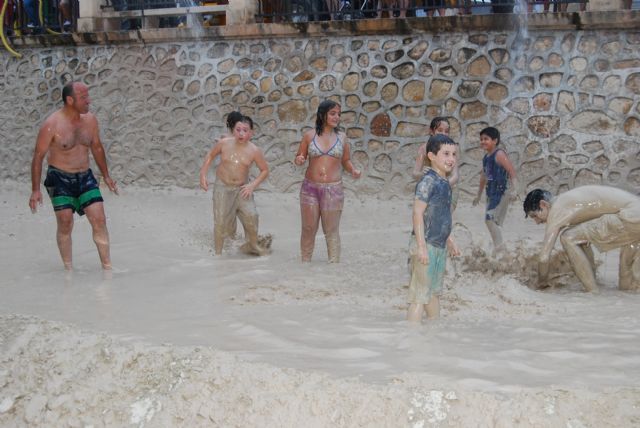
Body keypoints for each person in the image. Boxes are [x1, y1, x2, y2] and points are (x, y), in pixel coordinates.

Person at [29, 81, 118, 271]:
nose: (89, 101)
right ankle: (68, 270)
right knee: (65, 223)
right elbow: (38, 157)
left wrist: (107, 176)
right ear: (70, 100)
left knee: (99, 219)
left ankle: (107, 267)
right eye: (83, 98)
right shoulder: (52, 124)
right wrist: (35, 190)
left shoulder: (91, 120)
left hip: (85, 177)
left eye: (88, 96)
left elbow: (97, 147)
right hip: (59, 178)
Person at [523, 186, 640, 293]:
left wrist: (541, 282)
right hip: (634, 214)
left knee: (568, 237)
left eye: (535, 216)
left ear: (543, 205)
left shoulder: (557, 209)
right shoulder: (568, 201)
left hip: (628, 216)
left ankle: (592, 291)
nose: (537, 222)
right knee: (626, 285)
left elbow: (543, 258)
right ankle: (599, 283)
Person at [294, 99, 361, 263]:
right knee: (309, 228)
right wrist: (300, 159)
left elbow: (346, 160)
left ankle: (334, 266)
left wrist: (353, 169)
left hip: (333, 189)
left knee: (331, 230)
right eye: (332, 113)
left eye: (338, 114)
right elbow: (299, 156)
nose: (336, 117)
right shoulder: (309, 136)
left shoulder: (342, 137)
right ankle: (305, 263)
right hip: (310, 189)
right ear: (322, 114)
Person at [199, 112, 271, 256]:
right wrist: (203, 175)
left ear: (251, 132)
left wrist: (252, 186)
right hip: (223, 187)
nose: (241, 133)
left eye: (245, 130)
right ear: (233, 130)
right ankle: (218, 254)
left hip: (242, 188)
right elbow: (211, 156)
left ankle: (252, 245)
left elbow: (264, 170)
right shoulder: (224, 143)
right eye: (238, 130)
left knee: (252, 216)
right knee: (220, 220)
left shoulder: (254, 150)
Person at [408, 134, 460, 323]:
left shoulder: (445, 183)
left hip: (438, 245)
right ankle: (411, 336)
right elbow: (417, 214)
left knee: (433, 293)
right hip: (426, 244)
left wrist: (449, 239)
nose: (451, 159)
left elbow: (441, 215)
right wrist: (421, 246)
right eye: (446, 154)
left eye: (454, 154)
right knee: (419, 296)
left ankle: (434, 332)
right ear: (431, 155)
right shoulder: (427, 181)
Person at [472, 126, 518, 255]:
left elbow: (512, 172)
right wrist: (478, 195)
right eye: (481, 139)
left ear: (495, 140)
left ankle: (500, 248)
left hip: (502, 191)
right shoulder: (486, 158)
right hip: (491, 192)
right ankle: (499, 246)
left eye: (486, 139)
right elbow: (484, 177)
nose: (482, 142)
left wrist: (515, 190)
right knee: (491, 220)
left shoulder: (499, 154)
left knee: (489, 219)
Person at [412, 117, 460, 210]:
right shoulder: (424, 149)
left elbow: (455, 176)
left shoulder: (454, 149)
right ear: (431, 131)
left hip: (449, 188)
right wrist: (421, 174)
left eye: (446, 131)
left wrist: (442, 187)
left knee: (443, 219)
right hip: (428, 189)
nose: (444, 134)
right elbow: (415, 173)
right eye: (440, 130)